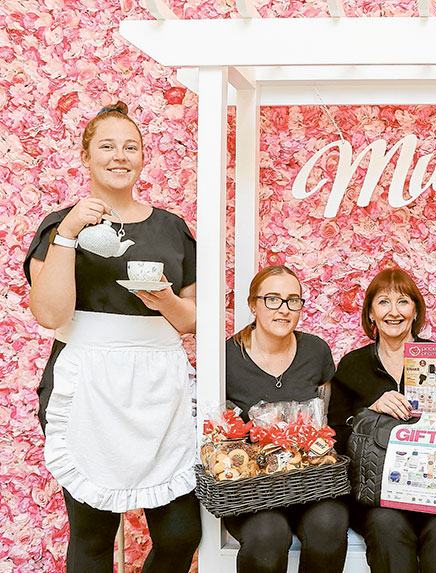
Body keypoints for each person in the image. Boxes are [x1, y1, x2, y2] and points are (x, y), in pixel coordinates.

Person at [24, 101, 201, 572]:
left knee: (182, 532)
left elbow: (191, 320)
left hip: (160, 382)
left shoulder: (172, 228)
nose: (119, 156)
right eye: (107, 146)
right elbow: (49, 312)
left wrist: (162, 299)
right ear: (86, 156)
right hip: (87, 380)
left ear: (144, 157)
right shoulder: (59, 224)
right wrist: (67, 234)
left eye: (131, 147)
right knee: (94, 536)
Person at [327, 268, 436, 573]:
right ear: (371, 313)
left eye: (403, 302)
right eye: (383, 302)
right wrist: (370, 411)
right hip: (379, 496)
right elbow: (335, 438)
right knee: (386, 528)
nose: (393, 312)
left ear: (416, 311)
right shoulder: (353, 365)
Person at [223, 265, 348, 572]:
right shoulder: (227, 357)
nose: (284, 309)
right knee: (268, 536)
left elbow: (326, 420)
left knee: (329, 526)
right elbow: (219, 438)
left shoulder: (315, 351)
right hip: (252, 490)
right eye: (272, 300)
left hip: (311, 485)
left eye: (293, 300)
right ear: (253, 305)